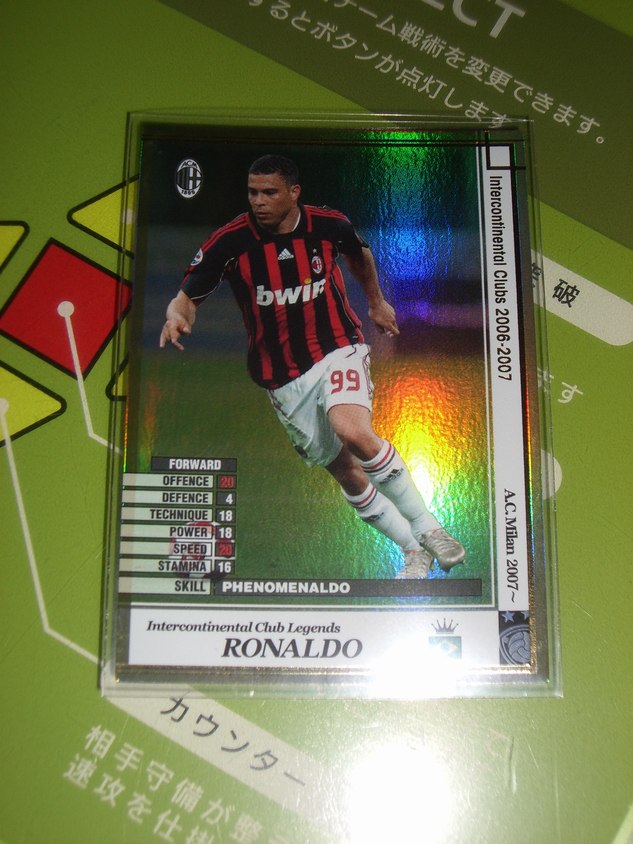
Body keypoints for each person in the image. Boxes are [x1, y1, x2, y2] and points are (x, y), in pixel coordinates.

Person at [160, 154, 465, 579]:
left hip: (337, 346)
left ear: (294, 193)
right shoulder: (230, 242)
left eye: (269, 192)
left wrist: (376, 302)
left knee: (352, 430)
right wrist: (177, 317)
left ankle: (430, 529)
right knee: (347, 473)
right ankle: (414, 550)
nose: (259, 201)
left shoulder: (327, 225)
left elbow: (358, 254)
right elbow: (187, 296)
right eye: (253, 192)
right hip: (281, 375)